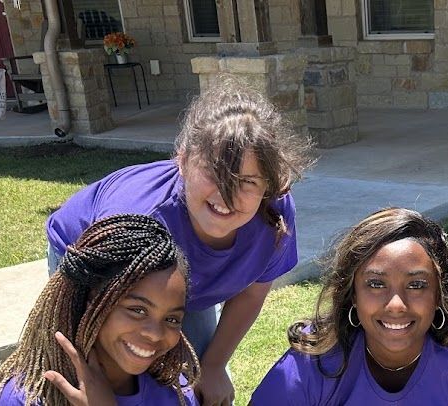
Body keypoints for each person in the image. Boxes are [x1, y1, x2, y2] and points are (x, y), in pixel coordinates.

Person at [44, 78, 314, 404]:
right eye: (215, 172)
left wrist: (214, 365)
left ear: (269, 185)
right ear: (183, 161)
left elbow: (253, 291)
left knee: (194, 383)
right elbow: (103, 311)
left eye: (246, 181)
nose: (226, 197)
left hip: (186, 283)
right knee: (108, 377)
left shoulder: (274, 214)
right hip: (94, 270)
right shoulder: (138, 219)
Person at [252, 208, 448, 405]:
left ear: (440, 294)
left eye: (416, 285)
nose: (396, 305)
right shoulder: (312, 363)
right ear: (352, 293)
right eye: (375, 284)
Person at [0, 214, 199, 405]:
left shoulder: (176, 393)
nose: (154, 333)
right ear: (91, 301)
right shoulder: (28, 397)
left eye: (172, 319)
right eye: (138, 310)